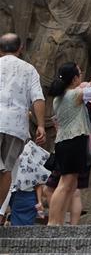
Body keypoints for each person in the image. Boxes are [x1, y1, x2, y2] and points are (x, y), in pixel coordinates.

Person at [47, 62, 91, 225]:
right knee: (65, 184)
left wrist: (89, 84)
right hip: (73, 141)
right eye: (79, 74)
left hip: (64, 142)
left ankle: (58, 221)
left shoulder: (59, 97)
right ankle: (53, 222)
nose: (81, 76)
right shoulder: (74, 95)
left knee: (69, 185)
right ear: (74, 78)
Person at [0, 33, 46, 210]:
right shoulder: (29, 69)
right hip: (16, 126)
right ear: (20, 49)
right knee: (6, 171)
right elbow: (38, 98)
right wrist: (40, 124)